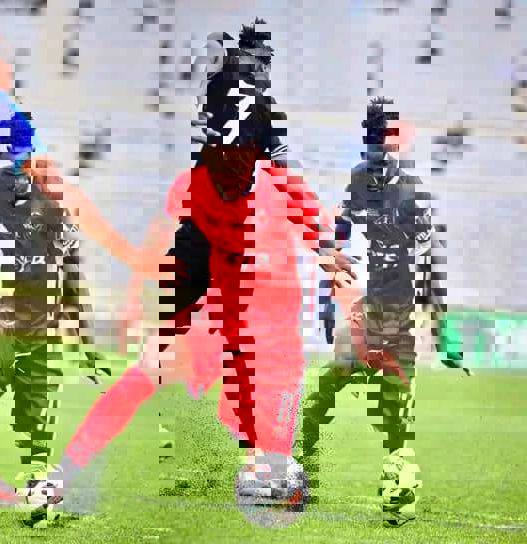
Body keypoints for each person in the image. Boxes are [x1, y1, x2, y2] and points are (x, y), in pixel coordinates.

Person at [21, 19, 357, 521]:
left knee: (258, 439)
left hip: (269, 323)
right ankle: (64, 477)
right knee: (149, 375)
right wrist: (139, 305)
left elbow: (329, 246)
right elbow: (167, 244)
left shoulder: (282, 183)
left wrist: (350, 302)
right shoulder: (204, 181)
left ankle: (260, 469)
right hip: (225, 313)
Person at [299, 97, 469, 527]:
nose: (377, 144)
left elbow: (429, 265)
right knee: (323, 398)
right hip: (374, 313)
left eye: (382, 136)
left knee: (386, 420)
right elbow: (340, 232)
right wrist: (325, 291)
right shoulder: (366, 179)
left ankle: (394, 493)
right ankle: (310, 475)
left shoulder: (407, 192)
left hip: (394, 318)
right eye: (373, 135)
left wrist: (443, 330)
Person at [0, 110, 111, 509]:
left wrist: (86, 345)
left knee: (35, 420)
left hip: (41, 335)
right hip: (5, 329)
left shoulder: (55, 212)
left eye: (25, 159)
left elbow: (73, 283)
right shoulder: (3, 198)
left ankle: (36, 482)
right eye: (16, 159)